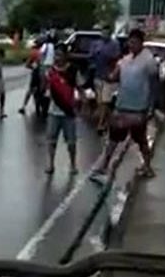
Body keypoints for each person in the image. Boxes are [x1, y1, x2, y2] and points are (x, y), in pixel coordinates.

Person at [92, 28, 160, 180]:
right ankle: (104, 165)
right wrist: (106, 73)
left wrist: (152, 106)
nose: (131, 45)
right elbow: (114, 76)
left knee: (141, 140)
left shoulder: (148, 60)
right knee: (113, 139)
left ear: (141, 43)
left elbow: (154, 84)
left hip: (138, 108)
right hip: (122, 106)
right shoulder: (125, 60)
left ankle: (147, 166)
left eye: (134, 42)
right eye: (130, 42)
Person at [45, 45, 82, 175]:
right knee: (51, 140)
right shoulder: (50, 71)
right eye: (55, 55)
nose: (57, 58)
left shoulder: (73, 70)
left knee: (71, 142)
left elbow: (80, 87)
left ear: (66, 56)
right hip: (53, 111)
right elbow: (46, 88)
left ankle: (72, 165)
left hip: (68, 111)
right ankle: (50, 164)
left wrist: (81, 103)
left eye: (59, 55)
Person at [90, 25, 121, 134]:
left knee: (104, 101)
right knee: (100, 102)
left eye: (107, 32)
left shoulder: (115, 44)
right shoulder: (96, 44)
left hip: (108, 78)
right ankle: (109, 120)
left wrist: (105, 54)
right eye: (103, 32)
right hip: (97, 76)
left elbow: (116, 57)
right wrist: (95, 55)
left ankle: (101, 124)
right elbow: (91, 56)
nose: (104, 34)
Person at [18, 40, 42, 115]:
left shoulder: (34, 52)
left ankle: (23, 106)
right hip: (46, 72)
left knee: (30, 90)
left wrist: (33, 67)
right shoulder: (49, 50)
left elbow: (27, 64)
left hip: (37, 72)